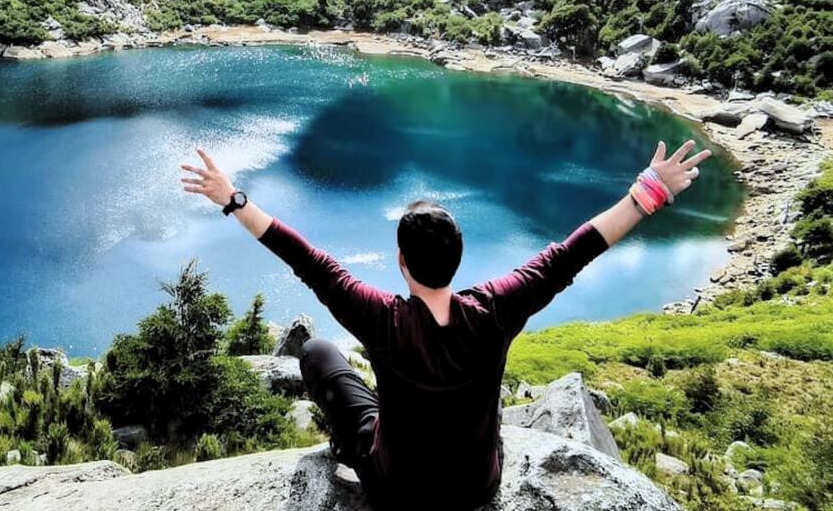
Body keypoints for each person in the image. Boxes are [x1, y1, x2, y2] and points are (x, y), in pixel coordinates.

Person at [181, 139, 711, 510]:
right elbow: (572, 253)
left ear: (401, 262)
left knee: (319, 352)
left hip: (395, 489)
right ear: (458, 258)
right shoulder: (496, 309)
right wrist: (647, 194)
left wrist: (233, 199)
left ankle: (348, 447)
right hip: (476, 487)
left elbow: (307, 260)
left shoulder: (381, 317)